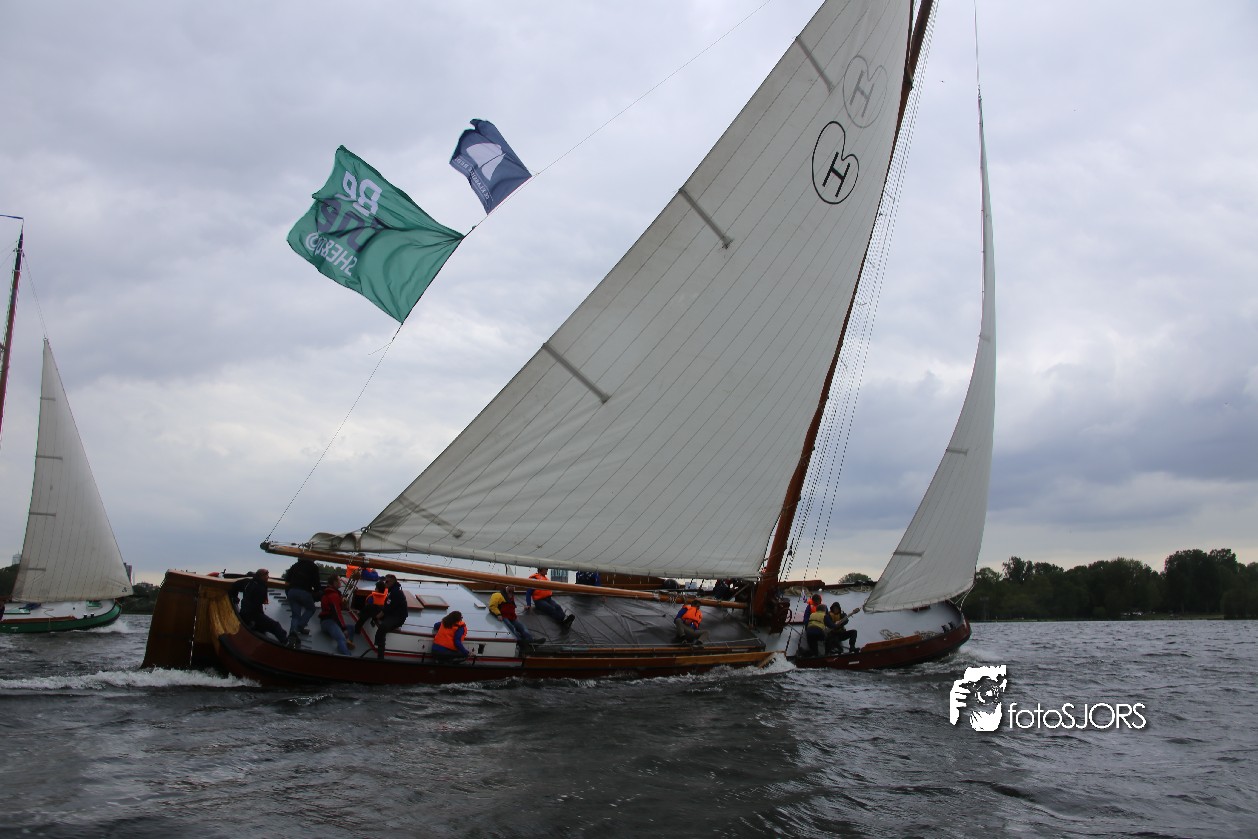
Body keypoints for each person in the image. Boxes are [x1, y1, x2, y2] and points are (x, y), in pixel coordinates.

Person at [237, 569, 288, 645]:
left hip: (244, 612)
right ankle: (286, 643)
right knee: (275, 625)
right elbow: (256, 604)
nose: (268, 577)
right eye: (266, 575)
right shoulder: (260, 587)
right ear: (261, 576)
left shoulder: (249, 583)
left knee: (262, 626)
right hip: (253, 614)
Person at [282, 556, 321, 646]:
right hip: (304, 592)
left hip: (292, 592)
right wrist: (318, 591)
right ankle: (299, 627)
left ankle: (293, 632)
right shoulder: (313, 567)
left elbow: (287, 580)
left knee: (295, 615)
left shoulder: (295, 565)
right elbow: (316, 583)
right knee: (311, 609)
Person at [319, 575, 355, 656]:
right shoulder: (333, 595)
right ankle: (347, 655)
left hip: (329, 622)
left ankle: (346, 643)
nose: (340, 582)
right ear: (335, 582)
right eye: (339, 581)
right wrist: (343, 628)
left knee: (351, 628)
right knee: (341, 638)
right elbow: (337, 614)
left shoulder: (332, 594)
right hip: (329, 622)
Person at [374, 574, 408, 660]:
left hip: (398, 617)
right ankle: (357, 630)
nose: (385, 583)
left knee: (383, 627)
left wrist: (377, 617)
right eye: (385, 581)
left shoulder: (396, 593)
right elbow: (387, 607)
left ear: (392, 582)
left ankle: (380, 655)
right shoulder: (391, 591)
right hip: (392, 613)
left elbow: (387, 609)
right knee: (371, 608)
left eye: (387, 581)